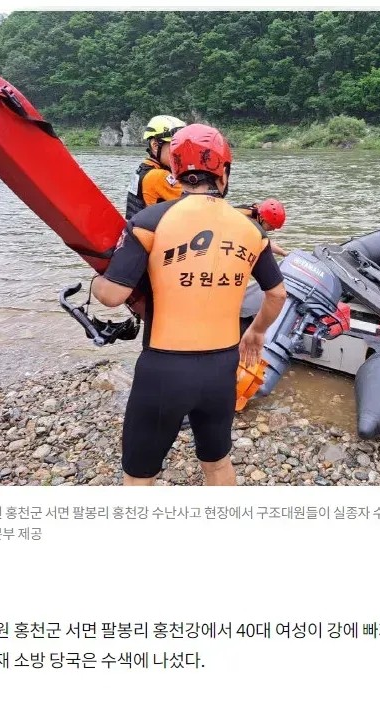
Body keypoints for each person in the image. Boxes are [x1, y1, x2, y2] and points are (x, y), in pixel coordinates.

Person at [92, 124, 287, 486]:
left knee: (139, 477)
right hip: (222, 366)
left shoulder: (149, 222)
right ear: (223, 173)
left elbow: (113, 295)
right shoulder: (252, 231)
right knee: (217, 463)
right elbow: (277, 294)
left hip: (164, 369)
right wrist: (256, 332)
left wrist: (96, 283)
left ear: (176, 171)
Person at [125, 115, 187, 219]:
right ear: (155, 145)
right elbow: (195, 202)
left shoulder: (143, 169)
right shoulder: (159, 176)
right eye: (175, 146)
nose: (180, 153)